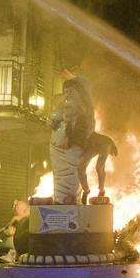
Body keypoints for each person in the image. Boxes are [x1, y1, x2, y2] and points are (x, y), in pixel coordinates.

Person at [47, 77, 95, 205]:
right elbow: (52, 119)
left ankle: (72, 199)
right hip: (57, 146)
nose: (68, 94)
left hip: (73, 147)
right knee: (59, 175)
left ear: (80, 92)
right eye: (66, 91)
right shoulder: (62, 107)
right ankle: (60, 199)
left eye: (71, 91)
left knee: (72, 172)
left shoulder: (84, 110)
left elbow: (88, 128)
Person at [79, 132, 118, 204]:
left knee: (99, 167)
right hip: (93, 146)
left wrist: (112, 145)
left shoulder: (85, 131)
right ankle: (86, 190)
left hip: (104, 144)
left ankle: (101, 191)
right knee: (80, 166)